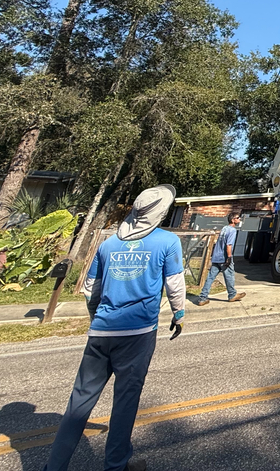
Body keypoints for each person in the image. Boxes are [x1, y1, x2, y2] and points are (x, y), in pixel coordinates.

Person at [43, 184, 186, 471]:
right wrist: (179, 313)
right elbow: (174, 283)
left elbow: (90, 289)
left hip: (101, 330)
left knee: (79, 402)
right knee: (125, 402)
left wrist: (98, 317)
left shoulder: (108, 244)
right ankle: (116, 465)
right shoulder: (167, 242)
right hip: (138, 332)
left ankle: (54, 467)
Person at [195, 211, 246, 305]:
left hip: (216, 257)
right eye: (238, 218)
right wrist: (229, 257)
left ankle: (202, 298)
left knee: (210, 277)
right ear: (232, 220)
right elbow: (228, 245)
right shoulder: (232, 230)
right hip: (224, 257)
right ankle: (232, 295)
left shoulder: (224, 229)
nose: (239, 219)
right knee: (229, 276)